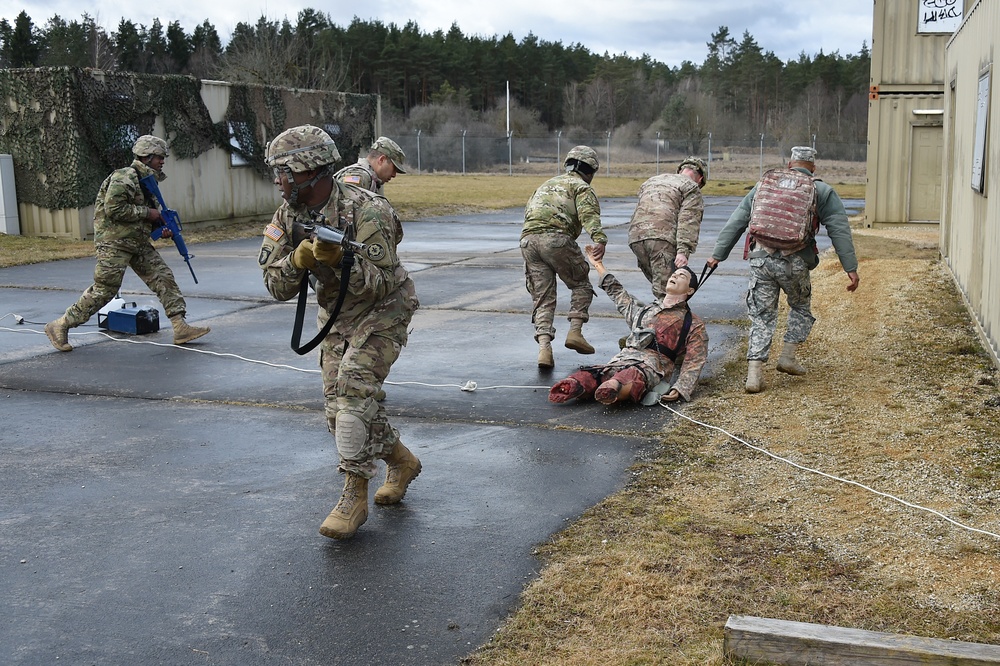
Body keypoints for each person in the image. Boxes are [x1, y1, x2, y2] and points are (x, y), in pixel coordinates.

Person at [258, 125, 420, 540]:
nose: (278, 181)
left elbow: (383, 282)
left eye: (283, 172)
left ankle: (353, 496)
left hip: (384, 309)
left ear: (309, 171)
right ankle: (401, 460)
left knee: (352, 389)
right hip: (337, 313)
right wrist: (299, 259)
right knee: (338, 410)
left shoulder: (366, 209)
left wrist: (338, 261)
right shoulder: (287, 215)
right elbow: (276, 286)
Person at [707, 146, 860, 393]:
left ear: (790, 164)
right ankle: (788, 357)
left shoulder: (765, 184)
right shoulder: (820, 189)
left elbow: (737, 219)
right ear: (813, 167)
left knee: (761, 315)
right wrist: (850, 267)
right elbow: (839, 229)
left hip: (760, 259)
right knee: (800, 306)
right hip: (795, 262)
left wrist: (717, 255)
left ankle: (754, 375)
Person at [44, 135, 210, 352]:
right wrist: (148, 213)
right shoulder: (126, 176)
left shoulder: (148, 182)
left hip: (136, 242)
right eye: (159, 157)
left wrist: (159, 227)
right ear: (146, 156)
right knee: (104, 290)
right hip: (114, 243)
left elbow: (141, 217)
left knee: (163, 277)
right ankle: (60, 325)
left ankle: (180, 326)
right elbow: (114, 209)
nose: (162, 162)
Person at [550, 246, 709, 406]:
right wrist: (598, 264)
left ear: (690, 290)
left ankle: (612, 388)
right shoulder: (644, 311)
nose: (674, 275)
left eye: (681, 275)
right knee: (590, 374)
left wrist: (682, 387)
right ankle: (574, 387)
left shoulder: (692, 322)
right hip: (620, 360)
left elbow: (695, 359)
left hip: (650, 368)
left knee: (630, 377)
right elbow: (618, 294)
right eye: (674, 274)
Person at [521, 145, 608, 369]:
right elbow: (588, 214)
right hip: (557, 240)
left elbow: (530, 213)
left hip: (529, 242)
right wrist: (599, 239)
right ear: (590, 170)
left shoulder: (545, 185)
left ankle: (544, 349)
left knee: (542, 297)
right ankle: (575, 332)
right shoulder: (581, 187)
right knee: (581, 285)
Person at [628, 157, 707, 301]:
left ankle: (658, 319)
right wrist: (683, 251)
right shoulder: (691, 187)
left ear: (680, 170)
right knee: (667, 293)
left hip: (636, 238)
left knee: (660, 285)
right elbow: (688, 221)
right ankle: (664, 322)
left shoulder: (653, 180)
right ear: (700, 178)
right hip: (661, 240)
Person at [334, 136, 407, 195]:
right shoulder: (359, 177)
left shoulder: (370, 179)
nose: (394, 175)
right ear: (381, 160)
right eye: (394, 168)